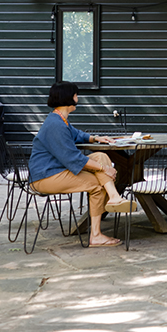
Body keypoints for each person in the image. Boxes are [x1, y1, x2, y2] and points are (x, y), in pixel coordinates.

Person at [28, 81, 135, 246]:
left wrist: (95, 138)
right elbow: (73, 159)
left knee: (100, 155)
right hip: (45, 177)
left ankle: (114, 197)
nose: (78, 98)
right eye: (76, 95)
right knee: (99, 184)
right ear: (69, 98)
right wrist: (105, 169)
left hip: (57, 170)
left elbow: (76, 134)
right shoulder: (55, 125)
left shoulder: (59, 119)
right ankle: (96, 234)